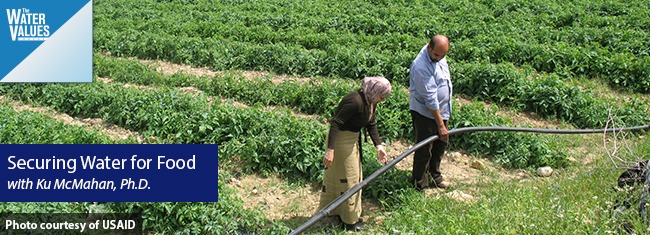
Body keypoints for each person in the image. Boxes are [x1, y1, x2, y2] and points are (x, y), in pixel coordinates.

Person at [318, 76, 392, 231]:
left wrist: (379, 146)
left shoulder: (369, 101)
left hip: (351, 140)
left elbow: (371, 123)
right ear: (374, 91)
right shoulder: (355, 101)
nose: (382, 100)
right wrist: (330, 150)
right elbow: (336, 123)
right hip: (341, 141)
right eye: (382, 97)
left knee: (354, 176)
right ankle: (348, 220)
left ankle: (345, 213)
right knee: (349, 179)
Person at [409, 34, 453, 190]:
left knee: (440, 144)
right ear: (429, 48)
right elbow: (430, 100)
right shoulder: (421, 66)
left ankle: (435, 175)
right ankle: (419, 181)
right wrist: (440, 125)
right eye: (436, 55)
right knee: (424, 148)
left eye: (442, 56)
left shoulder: (438, 56)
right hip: (425, 113)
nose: (439, 59)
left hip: (442, 110)